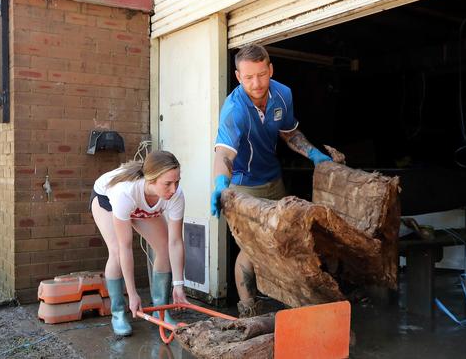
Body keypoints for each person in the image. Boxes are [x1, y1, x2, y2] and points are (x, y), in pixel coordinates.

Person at [211, 44, 333, 317]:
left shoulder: (283, 94)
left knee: (283, 240)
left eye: (262, 74)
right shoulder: (233, 110)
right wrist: (220, 184)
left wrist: (314, 154)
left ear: (270, 70)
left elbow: (289, 133)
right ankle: (248, 309)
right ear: (238, 76)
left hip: (273, 179)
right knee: (252, 248)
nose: (256, 83)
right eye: (248, 77)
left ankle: (286, 300)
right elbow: (224, 154)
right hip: (243, 183)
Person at [91, 150, 189, 336]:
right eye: (168, 183)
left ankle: (162, 310)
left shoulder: (174, 194)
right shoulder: (125, 192)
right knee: (115, 251)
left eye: (177, 182)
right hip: (107, 200)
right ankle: (118, 312)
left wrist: (178, 283)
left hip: (142, 204)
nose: (174, 189)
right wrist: (133, 293)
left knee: (164, 248)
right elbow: (125, 247)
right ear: (151, 180)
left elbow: (175, 242)